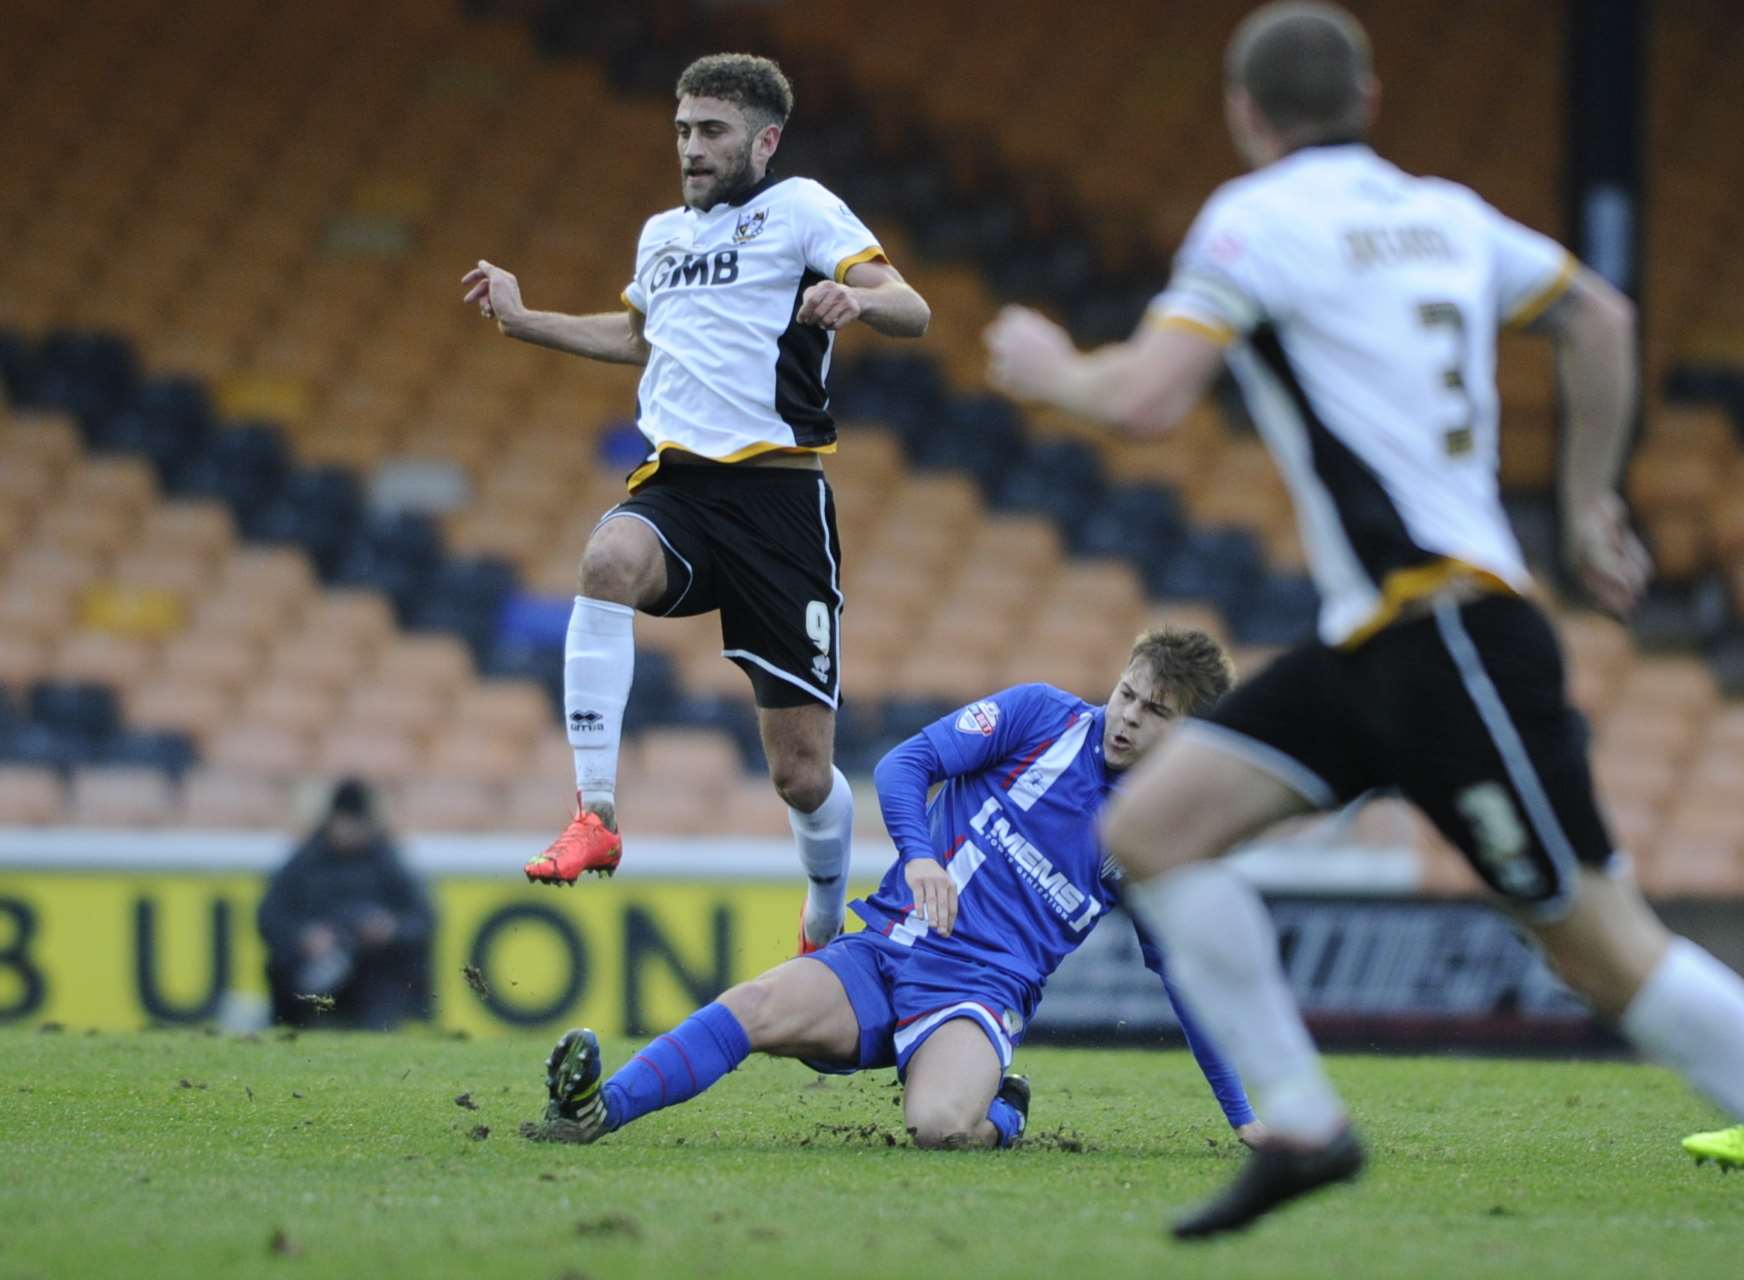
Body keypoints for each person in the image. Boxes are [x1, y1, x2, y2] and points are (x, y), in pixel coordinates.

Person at [984, 0, 1744, 1237]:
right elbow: (1596, 316)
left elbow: (1145, 401)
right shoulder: (1444, 213)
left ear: (1244, 115)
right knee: (1155, 827)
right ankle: (1300, 1121)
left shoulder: (1255, 220)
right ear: (1370, 99)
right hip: (1375, 644)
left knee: (1600, 947)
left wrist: (1050, 366)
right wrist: (1593, 497)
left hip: (1449, 635)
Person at [460, 53, 930, 958]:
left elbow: (912, 306)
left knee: (801, 775)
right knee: (604, 561)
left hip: (780, 501)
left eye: (711, 131)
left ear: (766, 139)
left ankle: (828, 909)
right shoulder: (659, 235)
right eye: (682, 130)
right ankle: (593, 811)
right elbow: (638, 335)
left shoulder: (801, 210)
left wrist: (859, 304)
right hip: (678, 486)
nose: (691, 148)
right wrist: (527, 321)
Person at [538, 630, 1264, 1151]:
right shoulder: (1043, 716)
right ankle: (596, 1110)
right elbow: (903, 765)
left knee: (940, 1128)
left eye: (1156, 712)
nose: (1128, 717)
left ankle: (1003, 1112)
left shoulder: (1161, 839)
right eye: (1126, 694)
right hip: (886, 950)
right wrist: (919, 858)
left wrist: (1243, 1119)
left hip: (977, 993)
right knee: (752, 1005)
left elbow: (1187, 978)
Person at [257, 778, 434, 1030]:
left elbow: (423, 920)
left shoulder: (388, 862)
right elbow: (269, 916)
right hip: (315, 962)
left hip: (373, 970)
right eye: (344, 821)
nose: (348, 830)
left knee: (388, 973)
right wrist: (304, 936)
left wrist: (389, 929)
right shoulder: (305, 861)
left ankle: (380, 1030)